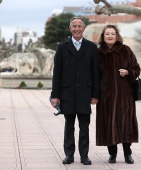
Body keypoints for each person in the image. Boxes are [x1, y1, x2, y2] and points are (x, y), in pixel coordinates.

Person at [50, 16, 100, 165]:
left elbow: (95, 73)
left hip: (85, 93)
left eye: (80, 26)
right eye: (74, 26)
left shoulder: (92, 47)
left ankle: (84, 155)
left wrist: (95, 94)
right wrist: (55, 95)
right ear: (70, 29)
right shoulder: (62, 47)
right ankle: (69, 155)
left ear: (84, 28)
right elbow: (56, 73)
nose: (77, 29)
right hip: (67, 94)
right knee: (68, 126)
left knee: (84, 126)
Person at [96, 25, 141, 164]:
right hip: (106, 96)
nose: (110, 36)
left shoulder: (126, 50)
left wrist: (128, 72)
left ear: (117, 36)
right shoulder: (98, 53)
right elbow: (93, 75)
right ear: (103, 36)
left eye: (112, 34)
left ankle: (128, 154)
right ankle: (112, 154)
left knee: (126, 124)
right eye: (107, 34)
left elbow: (136, 68)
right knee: (108, 124)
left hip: (125, 96)